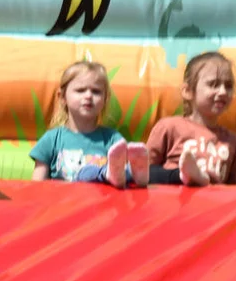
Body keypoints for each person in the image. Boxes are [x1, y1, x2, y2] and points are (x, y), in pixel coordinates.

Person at [30, 60, 149, 189]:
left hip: (100, 204)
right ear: (62, 97)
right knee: (87, 173)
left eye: (96, 91)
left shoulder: (111, 139)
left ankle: (137, 176)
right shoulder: (52, 140)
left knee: (121, 172)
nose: (88, 96)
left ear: (105, 99)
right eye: (80, 90)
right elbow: (37, 185)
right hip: (64, 205)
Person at [146, 51, 236, 186]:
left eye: (228, 86)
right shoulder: (169, 127)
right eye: (213, 84)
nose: (223, 92)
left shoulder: (233, 141)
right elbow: (143, 172)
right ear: (188, 91)